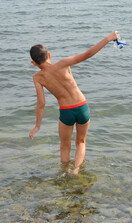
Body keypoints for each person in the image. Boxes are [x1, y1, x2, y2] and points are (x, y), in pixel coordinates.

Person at [29, 31, 119, 174]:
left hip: (66, 111)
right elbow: (88, 54)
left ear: (33, 63)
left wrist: (37, 126)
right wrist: (108, 38)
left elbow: (41, 103)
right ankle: (76, 170)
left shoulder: (37, 77)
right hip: (82, 106)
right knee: (81, 142)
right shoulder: (63, 63)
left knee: (65, 146)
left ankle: (65, 173)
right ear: (49, 55)